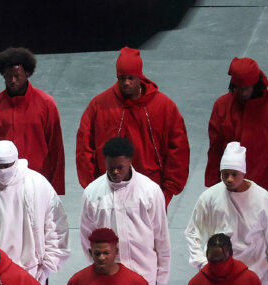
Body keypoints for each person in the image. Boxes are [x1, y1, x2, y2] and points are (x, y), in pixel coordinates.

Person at [76, 47, 189, 205]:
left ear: (139, 77)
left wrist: (167, 191)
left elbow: (178, 149)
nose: (126, 83)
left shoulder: (164, 106)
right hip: (109, 189)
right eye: (121, 78)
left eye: (130, 77)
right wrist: (92, 186)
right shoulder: (99, 105)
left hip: (151, 190)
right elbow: (84, 146)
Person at [0, 140, 70, 285]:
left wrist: (47, 267)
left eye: (7, 166)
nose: (2, 171)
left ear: (16, 161)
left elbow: (56, 226)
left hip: (31, 271)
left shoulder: (38, 184)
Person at [186, 141, 268, 285]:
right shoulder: (209, 197)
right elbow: (192, 232)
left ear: (243, 173)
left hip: (254, 277)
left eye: (234, 174)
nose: (229, 179)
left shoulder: (263, 199)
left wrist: (265, 284)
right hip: (217, 277)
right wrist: (203, 264)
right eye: (225, 174)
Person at [206, 57, 268, 233]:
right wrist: (213, 187)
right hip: (231, 187)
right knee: (231, 241)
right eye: (238, 88)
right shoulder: (222, 106)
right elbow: (215, 149)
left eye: (246, 88)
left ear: (256, 84)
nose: (242, 93)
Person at [79, 138, 172, 285]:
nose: (115, 172)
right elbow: (87, 237)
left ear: (130, 161)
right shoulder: (91, 194)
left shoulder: (150, 191)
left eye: (120, 167)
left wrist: (161, 277)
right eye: (111, 167)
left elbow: (161, 235)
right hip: (108, 278)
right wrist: (96, 268)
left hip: (144, 274)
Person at [0, 47, 65, 193]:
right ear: (3, 74)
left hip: (37, 183)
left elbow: (56, 149)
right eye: (8, 76)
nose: (13, 81)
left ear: (27, 73)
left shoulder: (46, 104)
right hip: (4, 183)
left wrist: (55, 189)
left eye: (17, 76)